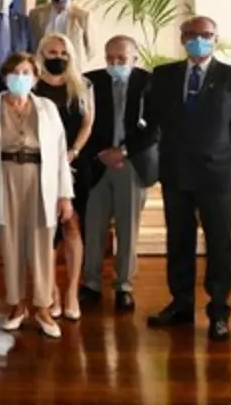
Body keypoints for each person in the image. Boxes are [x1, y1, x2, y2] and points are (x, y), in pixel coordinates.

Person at [140, 16, 231, 342]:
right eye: (191, 35)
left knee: (219, 244)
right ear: (181, 39)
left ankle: (219, 311)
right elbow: (152, 121)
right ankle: (181, 305)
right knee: (179, 241)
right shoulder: (163, 76)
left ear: (216, 38)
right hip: (175, 170)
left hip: (215, 173)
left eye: (205, 35)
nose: (198, 40)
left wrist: (221, 152)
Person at [0, 52, 74, 338]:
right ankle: (16, 305)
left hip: (40, 178)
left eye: (26, 72)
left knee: (42, 243)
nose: (20, 78)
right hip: (5, 174)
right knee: (9, 242)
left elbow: (60, 153)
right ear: (5, 76)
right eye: (14, 72)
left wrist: (64, 195)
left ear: (35, 78)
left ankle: (43, 307)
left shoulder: (47, 107)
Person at [79, 35, 156, 312]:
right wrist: (101, 153)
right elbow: (81, 122)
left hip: (131, 164)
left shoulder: (149, 82)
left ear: (134, 58)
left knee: (127, 228)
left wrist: (123, 152)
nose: (115, 64)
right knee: (93, 226)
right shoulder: (89, 81)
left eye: (121, 59)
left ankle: (124, 285)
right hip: (98, 163)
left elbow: (155, 128)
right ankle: (91, 284)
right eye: (110, 58)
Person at [33, 33, 94, 320]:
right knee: (46, 232)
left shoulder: (83, 85)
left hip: (72, 163)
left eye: (62, 52)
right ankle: (52, 292)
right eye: (51, 52)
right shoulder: (32, 83)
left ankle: (71, 291)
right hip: (40, 166)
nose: (57, 57)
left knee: (72, 227)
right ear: (41, 53)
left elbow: (87, 123)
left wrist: (73, 152)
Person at [28, 0, 92, 67]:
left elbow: (91, 49)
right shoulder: (35, 14)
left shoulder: (83, 16)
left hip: (71, 69)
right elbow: (30, 43)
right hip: (42, 69)